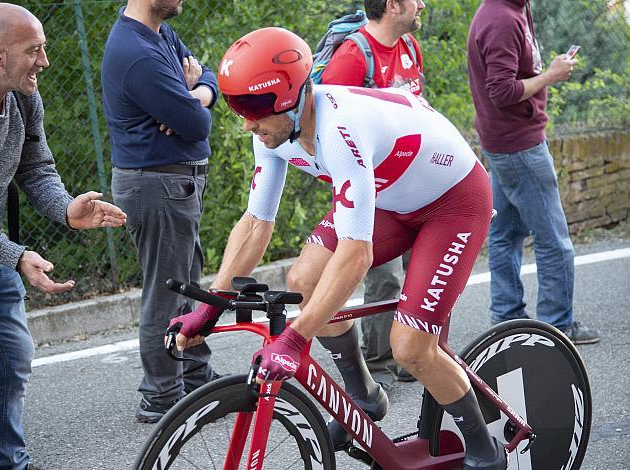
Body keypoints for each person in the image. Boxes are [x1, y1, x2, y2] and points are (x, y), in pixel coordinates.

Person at [169, 27, 508, 469]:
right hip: (394, 197)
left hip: (454, 202)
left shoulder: (339, 128)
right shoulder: (271, 132)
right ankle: (364, 400)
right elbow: (255, 224)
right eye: (236, 106)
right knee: (303, 280)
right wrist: (213, 304)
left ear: (293, 95)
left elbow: (356, 255)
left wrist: (295, 338)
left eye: (254, 106)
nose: (247, 122)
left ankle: (486, 451)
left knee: (409, 346)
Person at [0, 4, 127, 469]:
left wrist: (66, 208)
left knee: (14, 363)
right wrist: (16, 256)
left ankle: (10, 462)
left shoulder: (23, 97)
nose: (44, 62)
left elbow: (36, 167)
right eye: (34, 51)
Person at [101, 0, 220, 424]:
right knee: (167, 291)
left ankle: (194, 377)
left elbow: (208, 77)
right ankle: (162, 396)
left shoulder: (158, 32)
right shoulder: (136, 52)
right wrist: (191, 107)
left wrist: (194, 94)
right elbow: (197, 125)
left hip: (172, 181)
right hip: (157, 183)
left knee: (188, 284)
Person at [467, 0, 599, 344]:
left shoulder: (512, 9)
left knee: (506, 233)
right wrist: (551, 76)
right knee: (554, 240)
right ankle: (559, 325)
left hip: (503, 142)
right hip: (519, 145)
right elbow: (502, 91)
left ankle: (506, 316)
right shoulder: (500, 18)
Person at [322, 0, 426, 388]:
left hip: (419, 182)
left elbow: (419, 108)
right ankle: (377, 364)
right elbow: (326, 126)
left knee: (422, 270)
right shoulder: (354, 55)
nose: (422, 4)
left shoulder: (411, 46)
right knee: (384, 278)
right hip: (375, 192)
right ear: (393, 5)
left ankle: (414, 355)